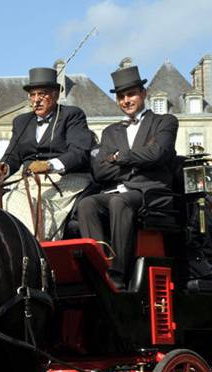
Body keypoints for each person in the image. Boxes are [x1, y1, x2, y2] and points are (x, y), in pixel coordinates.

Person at [76, 65, 178, 289]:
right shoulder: (111, 131)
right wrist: (137, 163)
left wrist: (119, 157)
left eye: (131, 94)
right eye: (121, 97)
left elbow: (158, 153)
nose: (126, 100)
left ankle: (118, 274)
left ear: (143, 94)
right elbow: (101, 171)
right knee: (87, 204)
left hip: (151, 192)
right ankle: (99, 265)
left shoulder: (164, 121)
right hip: (118, 190)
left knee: (118, 202)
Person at [0, 67, 95, 240]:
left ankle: (38, 249)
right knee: (6, 203)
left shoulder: (72, 115)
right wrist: (4, 167)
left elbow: (79, 152)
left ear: (55, 95)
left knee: (36, 213)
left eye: (42, 94)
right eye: (33, 95)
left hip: (66, 181)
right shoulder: (21, 121)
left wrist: (50, 165)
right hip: (30, 182)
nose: (36, 100)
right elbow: (13, 155)